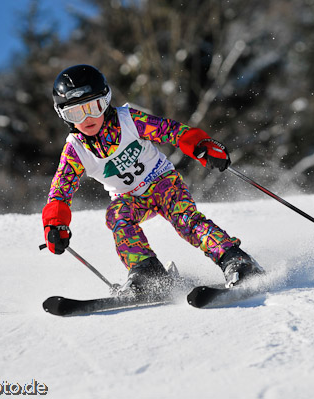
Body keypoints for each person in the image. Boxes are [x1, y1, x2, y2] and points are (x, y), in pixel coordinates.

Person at [41, 64, 263, 297]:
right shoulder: (75, 150)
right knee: (117, 216)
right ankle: (147, 272)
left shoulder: (127, 120)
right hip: (129, 199)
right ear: (63, 116)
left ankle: (234, 259)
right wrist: (55, 225)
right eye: (75, 113)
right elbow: (60, 191)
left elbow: (170, 131)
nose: (87, 118)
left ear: (105, 101)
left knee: (185, 219)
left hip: (162, 182)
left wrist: (201, 145)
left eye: (93, 107)